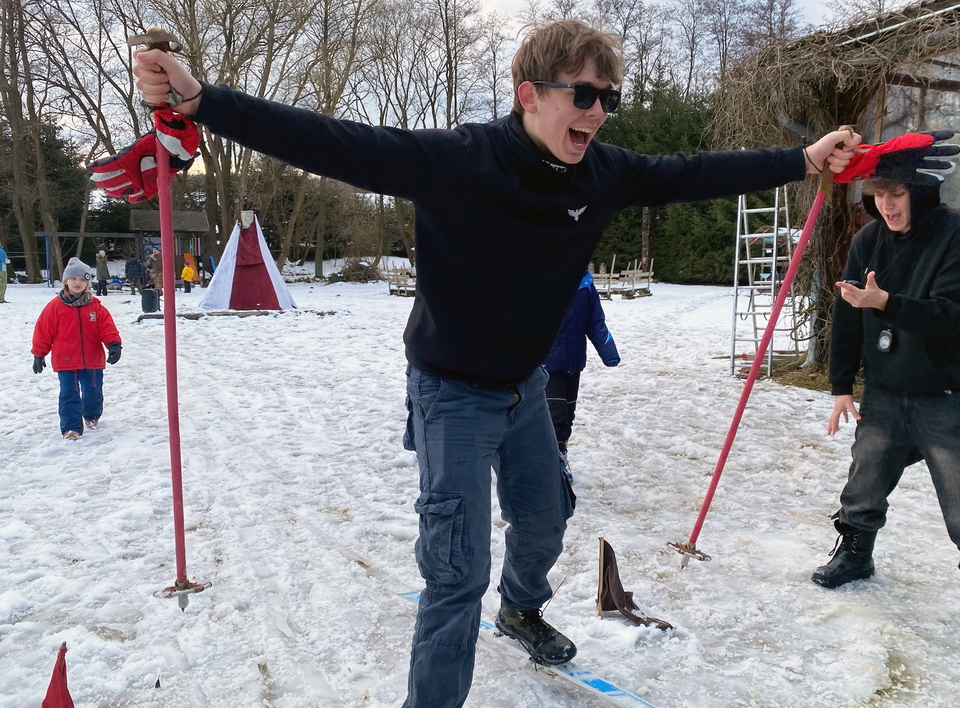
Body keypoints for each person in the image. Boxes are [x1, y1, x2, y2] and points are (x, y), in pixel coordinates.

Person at [133, 20, 859, 707]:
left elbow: (690, 173)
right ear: (529, 95)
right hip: (450, 392)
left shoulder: (602, 172)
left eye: (608, 98)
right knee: (456, 573)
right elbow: (336, 143)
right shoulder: (459, 160)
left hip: (525, 387)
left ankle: (521, 609)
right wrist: (204, 103)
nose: (598, 113)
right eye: (583, 94)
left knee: (545, 519)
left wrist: (801, 159)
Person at [814, 131, 960, 645]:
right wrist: (842, 386)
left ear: (921, 191)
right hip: (887, 391)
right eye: (879, 194)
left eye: (898, 193)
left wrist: (885, 303)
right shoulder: (868, 241)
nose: (887, 205)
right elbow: (849, 316)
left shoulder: (958, 237)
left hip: (951, 394)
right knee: (865, 478)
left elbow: (949, 317)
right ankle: (856, 553)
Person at [31, 257, 122, 440]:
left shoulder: (96, 307)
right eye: (73, 279)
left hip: (92, 358)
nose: (77, 283)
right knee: (69, 394)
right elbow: (43, 331)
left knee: (93, 391)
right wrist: (39, 354)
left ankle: (91, 415)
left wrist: (114, 345)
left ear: (87, 283)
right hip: (65, 359)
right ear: (66, 281)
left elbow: (107, 328)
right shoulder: (55, 307)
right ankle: (71, 427)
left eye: (82, 279)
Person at [543, 270, 619, 482]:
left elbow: (595, 321)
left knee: (567, 416)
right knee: (555, 416)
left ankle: (561, 454)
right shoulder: (543, 277)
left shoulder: (585, 284)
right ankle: (554, 464)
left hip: (573, 362)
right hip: (547, 363)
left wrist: (609, 352)